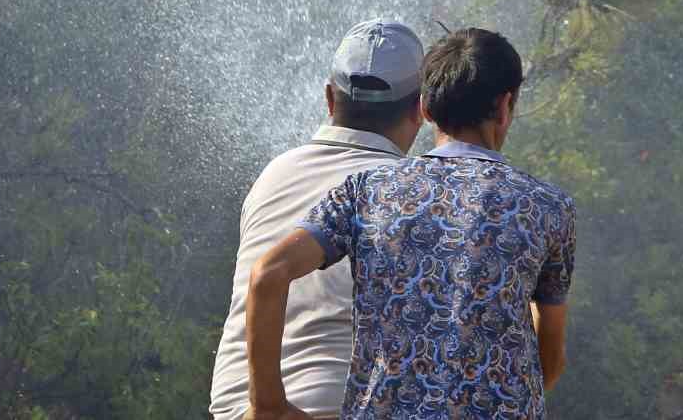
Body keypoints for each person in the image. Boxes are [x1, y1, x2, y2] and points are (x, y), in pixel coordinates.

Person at [244, 28, 576, 420]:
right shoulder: (548, 207)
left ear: (426, 109)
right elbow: (549, 359)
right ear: (505, 106)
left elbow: (268, 274)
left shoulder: (367, 190)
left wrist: (269, 407)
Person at [209, 19, 427, 420]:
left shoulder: (273, 175)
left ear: (329, 98)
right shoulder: (410, 191)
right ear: (421, 110)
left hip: (238, 411)